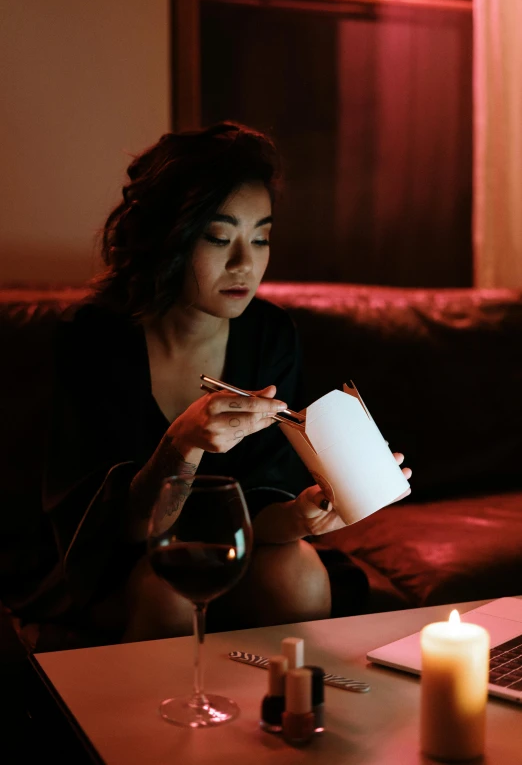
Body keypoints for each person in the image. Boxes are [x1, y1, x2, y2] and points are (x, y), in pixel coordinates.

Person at [26, 122, 411, 650]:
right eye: (218, 237)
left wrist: (300, 517)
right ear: (170, 236)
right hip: (122, 560)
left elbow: (261, 509)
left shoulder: (270, 333)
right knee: (168, 590)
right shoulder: (96, 339)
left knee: (297, 576)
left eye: (261, 238)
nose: (244, 264)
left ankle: (285, 719)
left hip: (241, 545)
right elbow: (126, 535)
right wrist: (180, 444)